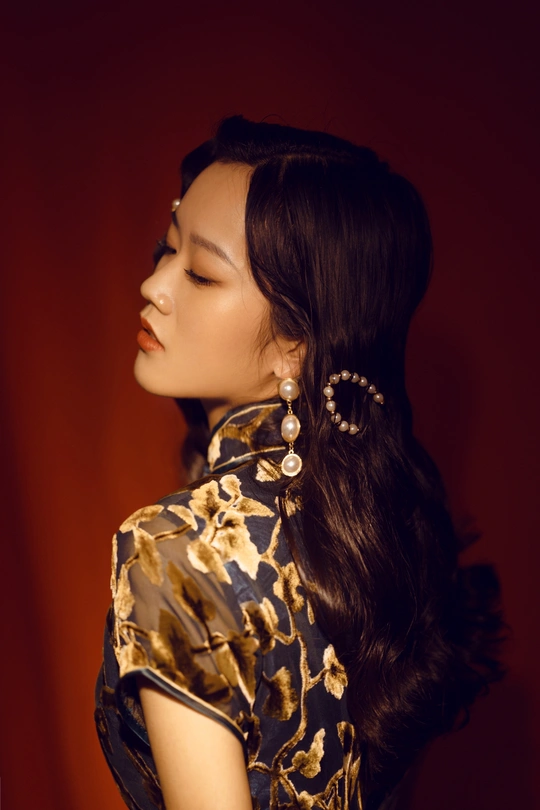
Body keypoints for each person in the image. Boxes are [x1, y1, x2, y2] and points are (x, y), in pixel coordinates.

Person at [94, 115, 508, 810]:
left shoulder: (175, 548)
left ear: (296, 346)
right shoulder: (388, 531)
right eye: (166, 248)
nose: (154, 285)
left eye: (199, 273)